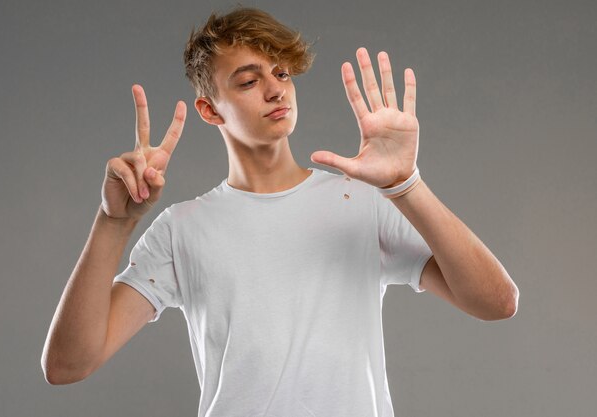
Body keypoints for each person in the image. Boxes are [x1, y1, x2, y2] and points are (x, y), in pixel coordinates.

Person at [41, 6, 519, 416]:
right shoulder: (181, 231)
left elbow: (497, 303)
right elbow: (66, 365)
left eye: (282, 73)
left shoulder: (360, 202)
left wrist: (405, 185)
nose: (276, 90)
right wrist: (114, 222)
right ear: (210, 111)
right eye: (249, 80)